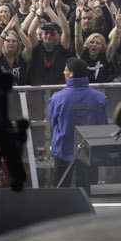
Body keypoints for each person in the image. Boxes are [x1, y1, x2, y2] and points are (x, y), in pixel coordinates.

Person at [46, 60, 109, 189]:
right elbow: (102, 123)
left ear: (71, 74)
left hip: (64, 147)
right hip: (89, 149)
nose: (63, 71)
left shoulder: (57, 98)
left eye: (65, 69)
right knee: (88, 189)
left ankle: (62, 209)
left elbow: (53, 123)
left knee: (61, 188)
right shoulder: (99, 97)